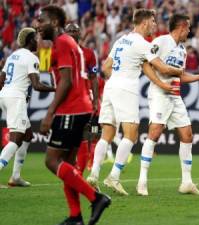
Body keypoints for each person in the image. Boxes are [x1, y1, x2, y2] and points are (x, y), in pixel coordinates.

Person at [86, 9, 183, 196]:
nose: (155, 25)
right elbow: (160, 67)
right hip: (126, 88)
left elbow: (106, 67)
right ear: (145, 23)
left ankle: (94, 174)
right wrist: (180, 71)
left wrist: (159, 83)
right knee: (131, 133)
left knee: (107, 133)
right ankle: (113, 176)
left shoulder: (121, 40)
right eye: (153, 21)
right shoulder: (143, 44)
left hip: (110, 87)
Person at [37, 5, 110, 225]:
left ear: (56, 23)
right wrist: (41, 38)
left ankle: (96, 198)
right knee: (67, 164)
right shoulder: (64, 44)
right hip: (80, 108)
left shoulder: (62, 42)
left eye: (42, 21)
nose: (38, 24)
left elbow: (66, 81)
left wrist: (50, 113)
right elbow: (44, 66)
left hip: (71, 108)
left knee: (52, 161)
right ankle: (75, 216)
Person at [136, 14, 199, 196]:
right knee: (155, 132)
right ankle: (142, 181)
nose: (189, 31)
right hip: (160, 93)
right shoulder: (161, 41)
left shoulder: (182, 49)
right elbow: (146, 64)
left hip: (175, 96)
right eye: (188, 28)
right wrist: (164, 79)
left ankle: (186, 182)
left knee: (187, 135)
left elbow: (181, 75)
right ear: (182, 27)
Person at [0, 28, 55, 188]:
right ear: (30, 40)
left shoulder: (13, 55)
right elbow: (37, 85)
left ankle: (15, 177)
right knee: (16, 139)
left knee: (28, 136)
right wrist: (56, 89)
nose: (38, 42)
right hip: (15, 98)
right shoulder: (31, 58)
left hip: (5, 96)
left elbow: (1, 79)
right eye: (36, 39)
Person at [65, 23, 99, 175]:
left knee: (87, 136)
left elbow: (94, 78)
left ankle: (78, 173)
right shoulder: (60, 52)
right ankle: (72, 171)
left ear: (80, 34)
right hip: (66, 102)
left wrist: (96, 99)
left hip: (84, 100)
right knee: (69, 140)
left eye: (75, 31)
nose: (72, 33)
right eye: (69, 31)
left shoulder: (89, 53)